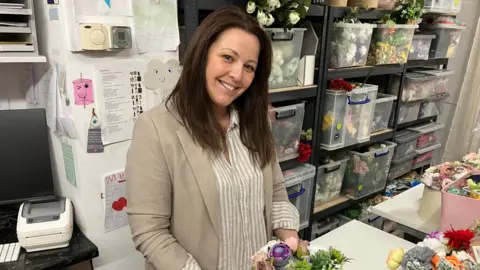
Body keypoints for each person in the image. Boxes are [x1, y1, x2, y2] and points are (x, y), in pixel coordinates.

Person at [125, 6, 300, 270]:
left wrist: (288, 236)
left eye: (249, 67)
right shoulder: (156, 128)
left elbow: (275, 191)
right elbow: (149, 231)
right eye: (228, 57)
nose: (237, 75)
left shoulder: (254, 121)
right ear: (202, 54)